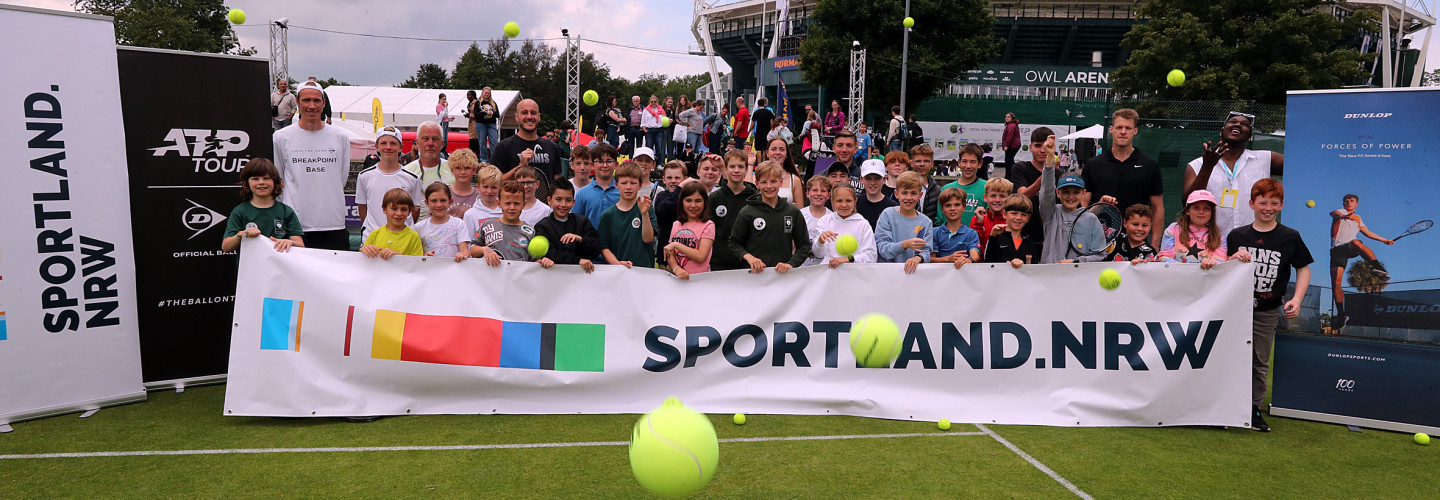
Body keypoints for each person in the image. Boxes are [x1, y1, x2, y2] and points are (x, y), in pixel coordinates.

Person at [1228, 178, 1313, 432]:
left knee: (1259, 362)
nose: (1268, 208)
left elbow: (1303, 268)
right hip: (1234, 310)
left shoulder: (1290, 236)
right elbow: (1223, 269)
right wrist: (1233, 257)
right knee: (1228, 356)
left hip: (1266, 311)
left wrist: (1297, 299)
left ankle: (1253, 409)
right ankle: (1226, 406)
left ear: (1282, 205)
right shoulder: (1237, 235)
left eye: (1274, 203)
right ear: (1251, 203)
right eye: (1262, 202)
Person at [273, 80, 351, 251]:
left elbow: (341, 178)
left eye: (316, 100)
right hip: (296, 226)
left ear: (323, 103)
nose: (312, 106)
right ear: (298, 102)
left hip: (333, 223)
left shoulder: (341, 136)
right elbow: (279, 179)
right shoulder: (281, 137)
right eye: (306, 100)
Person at [1183, 111, 1286, 237]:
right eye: (1232, 122)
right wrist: (1207, 167)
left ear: (1250, 136)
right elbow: (1187, 202)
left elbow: (1299, 166)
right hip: (1212, 242)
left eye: (1244, 124)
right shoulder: (1197, 165)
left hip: (1253, 241)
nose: (1237, 125)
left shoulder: (1265, 159)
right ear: (1221, 132)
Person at [1081, 109, 1165, 246]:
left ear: (1135, 131)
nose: (1123, 132)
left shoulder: (1150, 165)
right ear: (1111, 130)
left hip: (1136, 244)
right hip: (1098, 242)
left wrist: (1154, 246)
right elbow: (1083, 205)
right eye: (1119, 127)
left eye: (1128, 128)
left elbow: (1158, 208)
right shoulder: (1093, 164)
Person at [728, 161, 811, 274]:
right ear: (757, 184)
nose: (769, 186)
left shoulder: (792, 212)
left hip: (783, 276)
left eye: (773, 181)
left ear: (781, 182)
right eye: (763, 182)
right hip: (755, 276)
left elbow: (804, 245)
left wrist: (791, 264)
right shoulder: (747, 212)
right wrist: (749, 258)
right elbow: (734, 243)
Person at [1327, 193, 1394, 330]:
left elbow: (1368, 233)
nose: (1348, 203)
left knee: (1356, 242)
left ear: (1356, 204)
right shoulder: (1341, 211)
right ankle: (1341, 315)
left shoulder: (1358, 218)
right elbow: (1333, 213)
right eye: (1346, 201)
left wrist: (1384, 240)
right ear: (1343, 203)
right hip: (1337, 250)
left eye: (1351, 201)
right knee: (1336, 283)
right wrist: (1342, 216)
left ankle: (1378, 267)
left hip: (1351, 247)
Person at [1038, 137, 1105, 264]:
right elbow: (1046, 190)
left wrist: (1075, 262)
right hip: (1049, 273)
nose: (1070, 196)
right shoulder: (1051, 213)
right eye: (1065, 192)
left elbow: (1099, 253)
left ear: (1083, 193)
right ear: (1058, 193)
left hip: (1079, 274)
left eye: (1076, 192)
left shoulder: (1091, 219)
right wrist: (1050, 158)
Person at [221, 158, 304, 253]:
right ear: (247, 183)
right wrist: (241, 235)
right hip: (251, 262)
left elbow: (300, 245)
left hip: (278, 262)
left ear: (275, 182)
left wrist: (289, 242)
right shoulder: (240, 211)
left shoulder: (286, 211)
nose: (261, 182)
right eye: (255, 179)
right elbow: (226, 247)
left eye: (266, 178)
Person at [356, 127, 422, 241]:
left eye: (393, 143)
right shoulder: (364, 176)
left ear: (401, 147)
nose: (388, 147)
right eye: (383, 143)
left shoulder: (413, 178)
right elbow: (362, 209)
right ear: (376, 147)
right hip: (372, 241)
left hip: (403, 241)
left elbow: (415, 211)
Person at [491, 99, 564, 199]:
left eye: (533, 113)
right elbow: (494, 184)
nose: (529, 117)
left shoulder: (551, 147)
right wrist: (520, 166)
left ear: (539, 117)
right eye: (524, 113)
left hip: (545, 207)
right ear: (517, 117)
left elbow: (558, 182)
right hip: (513, 206)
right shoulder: (503, 147)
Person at [598, 162, 658, 269]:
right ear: (616, 184)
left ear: (640, 185)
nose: (628, 187)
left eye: (633, 183)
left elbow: (648, 239)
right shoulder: (608, 215)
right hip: (619, 271)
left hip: (644, 270)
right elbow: (604, 247)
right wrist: (618, 265)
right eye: (624, 183)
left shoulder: (647, 209)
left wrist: (644, 214)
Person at [534, 182, 600, 273]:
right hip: (553, 276)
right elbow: (548, 253)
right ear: (549, 200)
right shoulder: (542, 226)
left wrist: (580, 240)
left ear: (573, 202)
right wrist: (577, 260)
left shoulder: (583, 222)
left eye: (568, 200)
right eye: (558, 199)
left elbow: (596, 248)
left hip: (583, 276)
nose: (563, 204)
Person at [875, 171, 934, 274]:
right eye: (904, 193)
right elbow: (883, 249)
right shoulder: (887, 215)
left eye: (913, 193)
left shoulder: (926, 222)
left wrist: (918, 258)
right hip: (887, 274)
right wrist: (905, 245)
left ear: (920, 195)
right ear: (896, 194)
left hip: (912, 275)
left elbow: (926, 251)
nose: (909, 198)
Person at [708, 150, 758, 271]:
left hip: (747, 263)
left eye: (740, 167)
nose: (736, 170)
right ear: (725, 169)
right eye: (732, 166)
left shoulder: (755, 198)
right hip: (719, 263)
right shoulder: (714, 198)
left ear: (746, 169)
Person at [469, 180, 537, 266]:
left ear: (524, 204)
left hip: (518, 274)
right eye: (507, 203)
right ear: (499, 203)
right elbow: (472, 250)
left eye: (516, 203)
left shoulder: (530, 232)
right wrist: (484, 250)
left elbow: (535, 261)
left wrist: (543, 262)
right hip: (491, 273)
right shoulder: (488, 225)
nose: (512, 208)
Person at [1158, 190, 1229, 269]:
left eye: (1206, 208)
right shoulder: (1173, 229)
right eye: (1196, 208)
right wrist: (1179, 267)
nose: (1201, 212)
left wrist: (1212, 263)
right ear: (1187, 211)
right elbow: (1164, 256)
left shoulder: (1219, 237)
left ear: (1212, 213)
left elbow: (1220, 261)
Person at [813, 185, 877, 268]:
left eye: (848, 201)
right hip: (829, 272)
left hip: (854, 273)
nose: (844, 205)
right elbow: (818, 254)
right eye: (839, 201)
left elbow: (871, 256)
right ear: (832, 201)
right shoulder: (824, 221)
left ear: (855, 201)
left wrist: (849, 259)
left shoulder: (863, 224)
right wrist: (820, 241)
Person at [1007, 128, 1052, 243]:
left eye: (1046, 146)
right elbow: (1023, 196)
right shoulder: (1020, 168)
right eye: (1038, 146)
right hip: (1025, 236)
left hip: (1050, 237)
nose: (1043, 150)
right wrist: (1047, 172)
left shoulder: (1058, 174)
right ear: (1030, 147)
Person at [664, 182, 716, 280]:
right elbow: (670, 252)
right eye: (688, 200)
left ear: (705, 202)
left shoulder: (708, 225)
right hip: (678, 279)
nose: (693, 205)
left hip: (700, 280)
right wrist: (676, 268)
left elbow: (701, 257)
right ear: (681, 202)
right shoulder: (676, 224)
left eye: (698, 201)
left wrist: (676, 245)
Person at [403, 121, 454, 218]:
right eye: (425, 139)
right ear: (417, 143)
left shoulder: (454, 170)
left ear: (442, 143)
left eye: (435, 139)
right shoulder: (406, 173)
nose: (430, 143)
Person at [359, 188, 425, 260]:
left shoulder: (414, 236)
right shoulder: (375, 234)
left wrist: (398, 257)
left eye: (404, 209)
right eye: (394, 208)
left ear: (409, 212)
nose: (399, 213)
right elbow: (364, 260)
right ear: (384, 209)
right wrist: (363, 250)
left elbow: (417, 263)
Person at [413, 182, 470, 262]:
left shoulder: (459, 224)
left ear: (450, 202)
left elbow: (465, 251)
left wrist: (462, 255)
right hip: (429, 268)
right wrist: (424, 256)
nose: (439, 205)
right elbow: (415, 255)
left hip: (455, 268)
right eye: (434, 201)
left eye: (443, 200)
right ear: (427, 203)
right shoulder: (419, 227)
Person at [984, 194, 1042, 268]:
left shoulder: (1030, 243)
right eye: (1014, 213)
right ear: (1004, 214)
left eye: (1023, 215)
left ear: (1028, 218)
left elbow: (1035, 270)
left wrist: (1024, 265)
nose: (1018, 218)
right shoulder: (996, 238)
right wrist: (993, 237)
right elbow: (988, 264)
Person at [932, 188, 982, 268]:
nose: (952, 208)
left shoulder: (971, 233)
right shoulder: (934, 232)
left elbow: (975, 256)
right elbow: (929, 259)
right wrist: (947, 259)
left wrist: (968, 260)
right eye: (948, 205)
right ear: (942, 209)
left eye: (957, 205)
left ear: (964, 207)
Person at [937, 143, 986, 227]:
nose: (968, 166)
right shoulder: (947, 189)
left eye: (973, 162)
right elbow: (939, 220)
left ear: (980, 164)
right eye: (964, 161)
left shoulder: (987, 188)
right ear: (959, 162)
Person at [574, 142, 621, 224]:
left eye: (609, 161)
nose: (605, 165)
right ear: (592, 165)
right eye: (600, 161)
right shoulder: (582, 194)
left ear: (616, 165)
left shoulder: (622, 191)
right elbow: (575, 222)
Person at [970, 177, 1014, 256]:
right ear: (985, 197)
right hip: (981, 262)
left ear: (1009, 198)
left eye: (1002, 196)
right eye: (993, 196)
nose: (997, 200)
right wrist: (979, 223)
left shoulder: (1012, 220)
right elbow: (973, 244)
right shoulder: (976, 220)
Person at [756, 137, 805, 203]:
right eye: (773, 149)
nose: (778, 152)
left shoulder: (795, 180)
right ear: (767, 153)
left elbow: (799, 208)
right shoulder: (757, 177)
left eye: (781, 149)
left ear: (786, 153)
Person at [653, 161, 690, 249]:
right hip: (666, 248)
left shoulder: (690, 198)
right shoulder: (662, 196)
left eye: (677, 178)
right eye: (669, 178)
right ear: (663, 179)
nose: (673, 181)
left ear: (685, 179)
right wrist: (679, 188)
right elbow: (664, 209)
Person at [461, 165, 504, 238]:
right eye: (485, 187)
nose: (489, 191)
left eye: (494, 187)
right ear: (478, 187)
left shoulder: (507, 210)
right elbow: (469, 241)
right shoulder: (470, 215)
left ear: (500, 188)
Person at [856, 159, 898, 229]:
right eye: (868, 178)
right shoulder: (856, 203)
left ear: (884, 179)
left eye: (877, 179)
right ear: (861, 179)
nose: (872, 183)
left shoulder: (893, 207)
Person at [908, 144, 944, 223]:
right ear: (911, 163)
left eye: (926, 161)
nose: (922, 164)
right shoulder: (902, 187)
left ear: (932, 164)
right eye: (918, 161)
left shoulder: (939, 191)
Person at [447, 149, 481, 216]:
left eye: (467, 168)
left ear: (474, 170)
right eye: (458, 168)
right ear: (452, 170)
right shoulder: (443, 193)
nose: (463, 172)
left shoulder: (480, 197)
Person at [471, 87, 500, 163]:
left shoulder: (493, 103)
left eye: (488, 93)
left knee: (494, 142)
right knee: (482, 143)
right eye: (485, 93)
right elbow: (476, 114)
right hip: (481, 124)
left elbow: (498, 114)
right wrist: (485, 112)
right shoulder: (478, 103)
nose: (487, 94)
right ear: (482, 93)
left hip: (491, 124)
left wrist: (492, 113)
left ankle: (494, 159)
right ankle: (483, 159)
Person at [641, 96, 667, 162]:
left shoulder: (661, 110)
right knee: (649, 148)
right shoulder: (646, 110)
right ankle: (649, 163)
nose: (653, 103)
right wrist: (644, 128)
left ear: (657, 102)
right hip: (649, 130)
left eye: (654, 101)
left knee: (659, 148)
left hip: (659, 130)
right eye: (651, 101)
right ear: (650, 102)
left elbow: (665, 119)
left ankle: (660, 163)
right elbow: (643, 120)